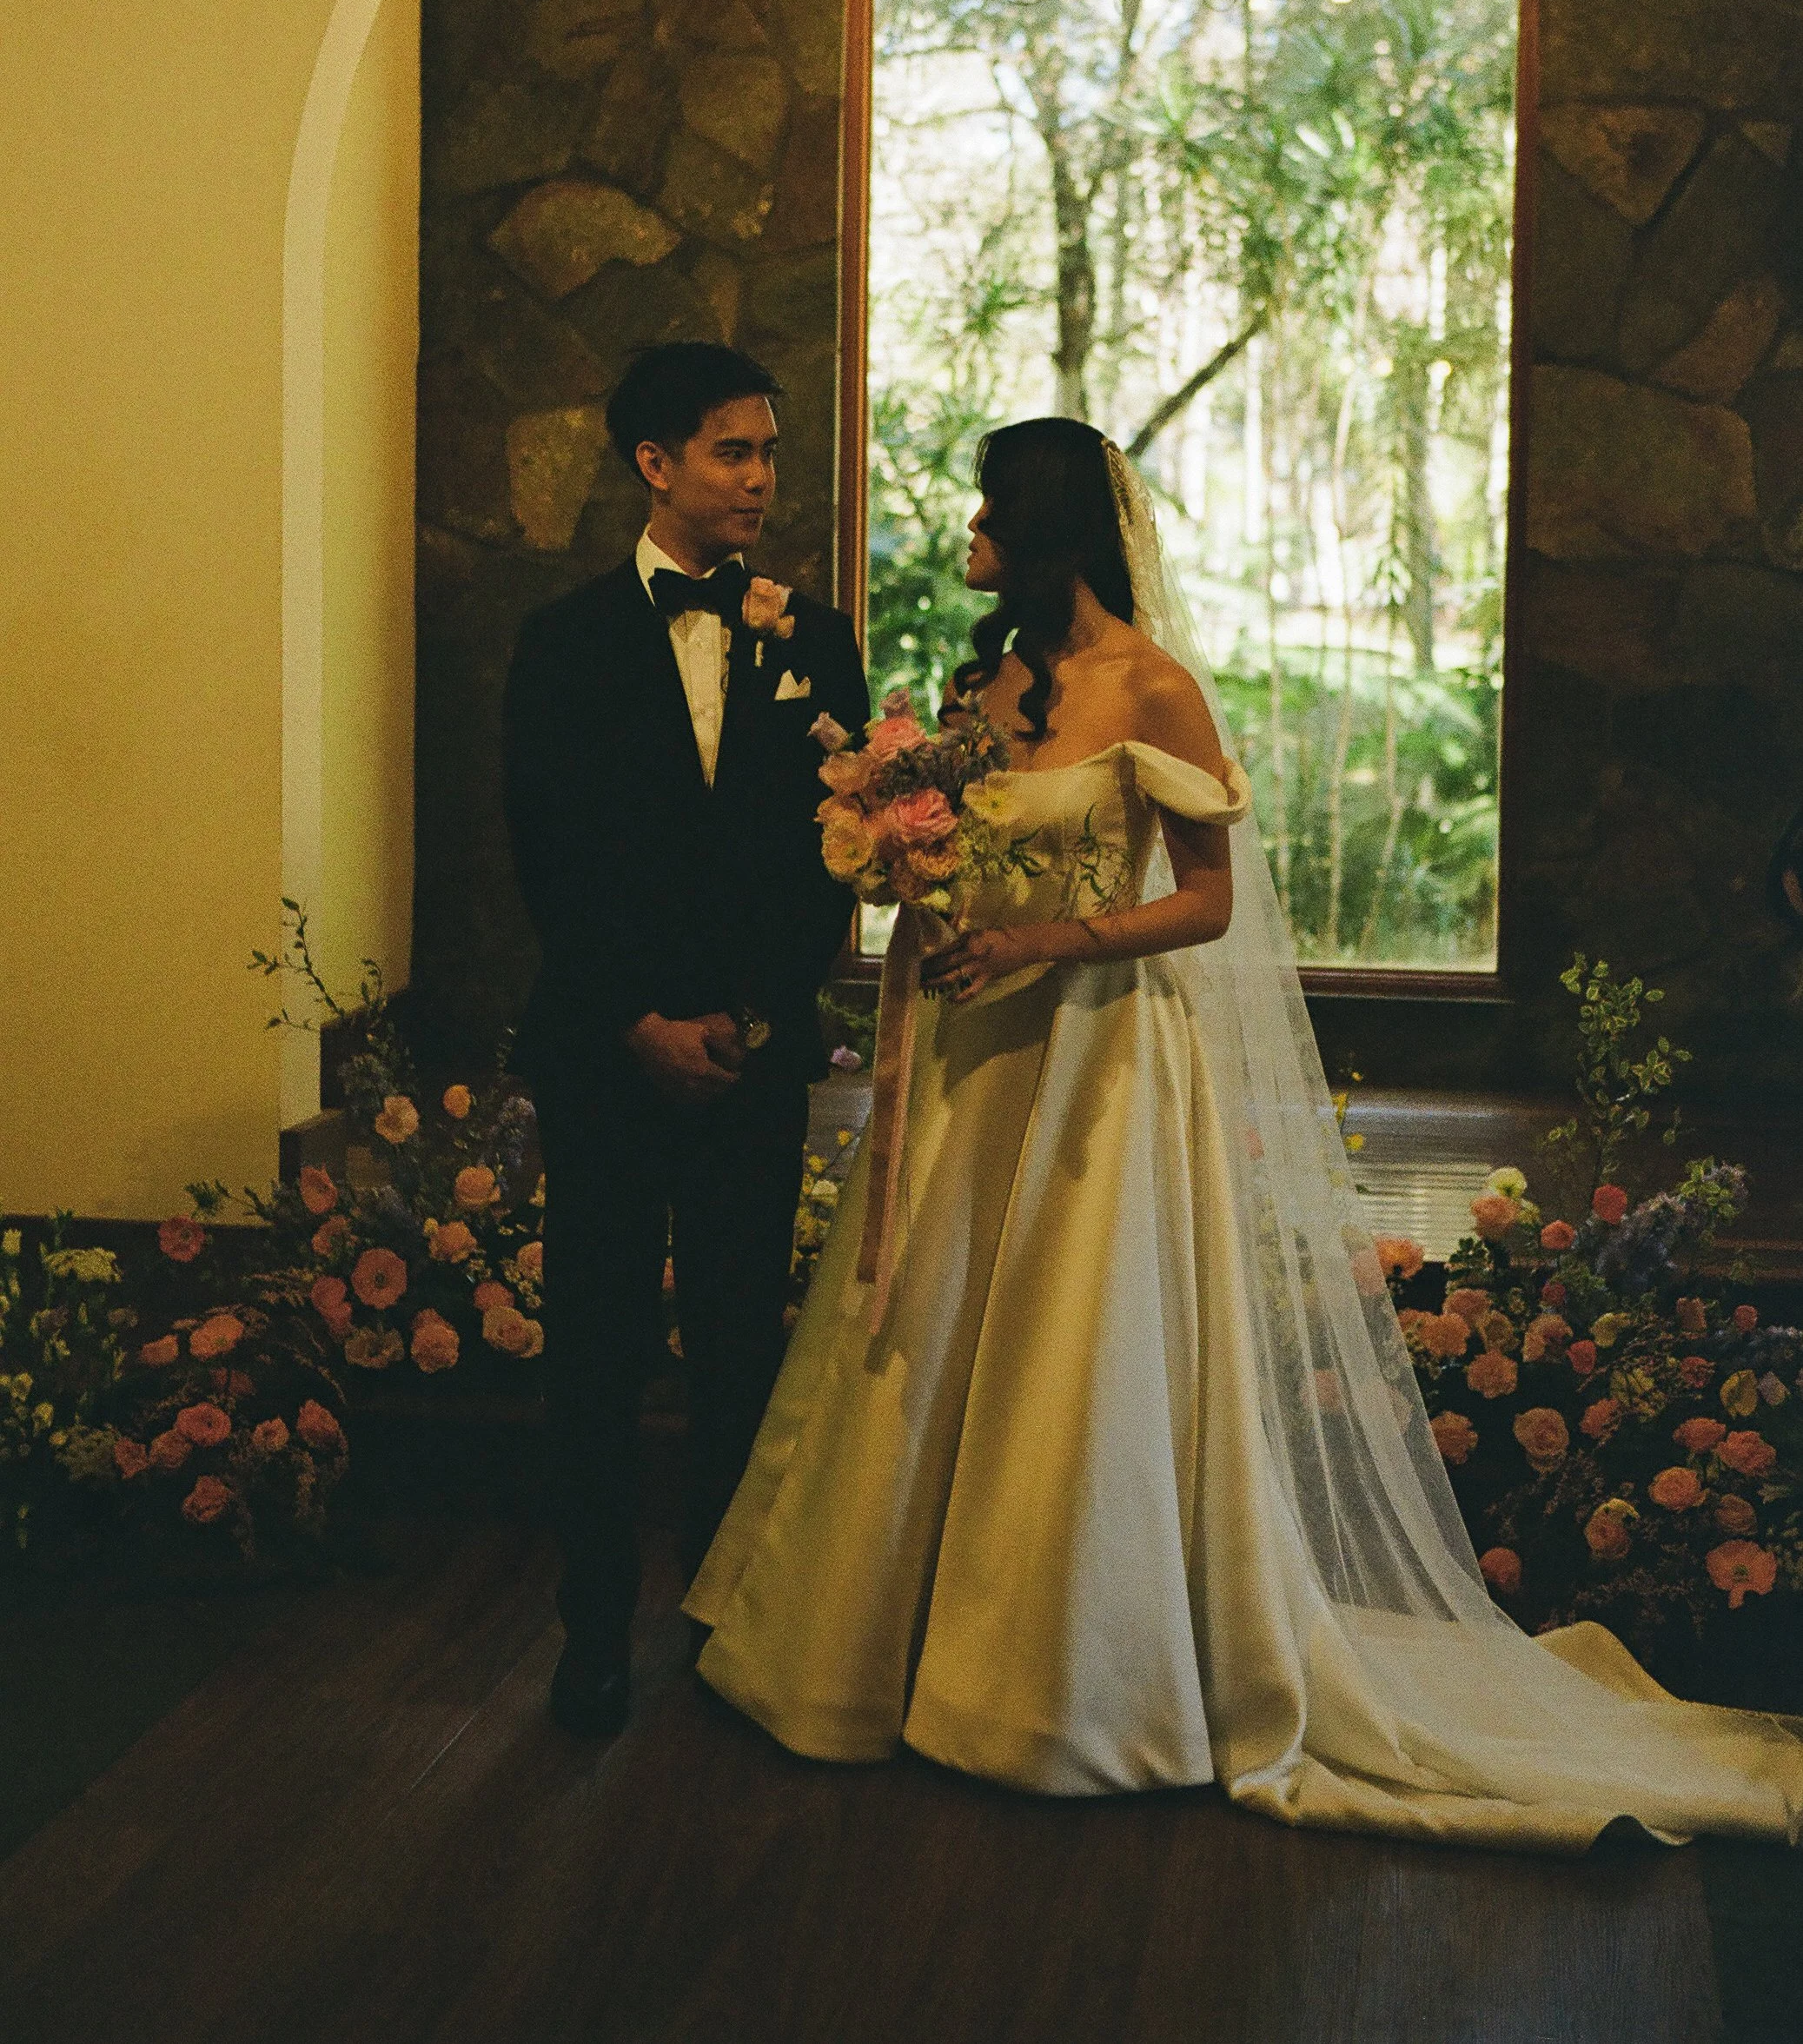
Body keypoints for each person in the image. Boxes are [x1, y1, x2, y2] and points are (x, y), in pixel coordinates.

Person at [687, 417, 1803, 1846]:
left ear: (1044, 531)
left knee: (1066, 1353)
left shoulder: (1155, 689)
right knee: (930, 1334)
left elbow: (1205, 899)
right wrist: (927, 880)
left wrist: (1051, 935)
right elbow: (965, 842)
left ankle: (1054, 1684)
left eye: (986, 511)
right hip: (977, 1058)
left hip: (1096, 1058)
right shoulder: (987, 684)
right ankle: (878, 1647)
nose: (967, 535)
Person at [504, 342, 869, 1740]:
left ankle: (725, 1623)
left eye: (770, 451)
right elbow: (546, 859)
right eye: (733, 450)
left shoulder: (813, 641)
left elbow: (829, 851)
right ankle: (591, 1632)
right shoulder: (562, 643)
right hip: (605, 1055)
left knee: (738, 1345)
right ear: (654, 464)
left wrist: (757, 1015)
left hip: (753, 1049)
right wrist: (634, 1019)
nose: (761, 478)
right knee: (593, 1349)